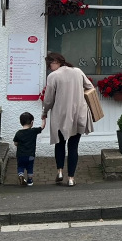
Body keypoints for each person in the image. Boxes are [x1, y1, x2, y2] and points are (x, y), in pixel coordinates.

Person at [41, 52, 94, 186]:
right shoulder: (77, 71)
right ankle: (71, 178)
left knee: (60, 144)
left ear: (55, 62)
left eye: (49, 65)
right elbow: (90, 87)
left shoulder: (53, 76)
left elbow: (48, 99)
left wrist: (45, 112)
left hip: (61, 116)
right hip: (78, 114)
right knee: (73, 147)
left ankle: (59, 171)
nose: (49, 68)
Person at [13, 112, 43, 186]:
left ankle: (21, 176)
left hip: (20, 155)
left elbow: (15, 143)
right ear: (32, 122)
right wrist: (44, 119)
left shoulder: (18, 133)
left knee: (20, 166)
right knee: (30, 167)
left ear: (21, 122)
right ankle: (30, 180)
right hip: (31, 155)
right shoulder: (33, 131)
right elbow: (42, 127)